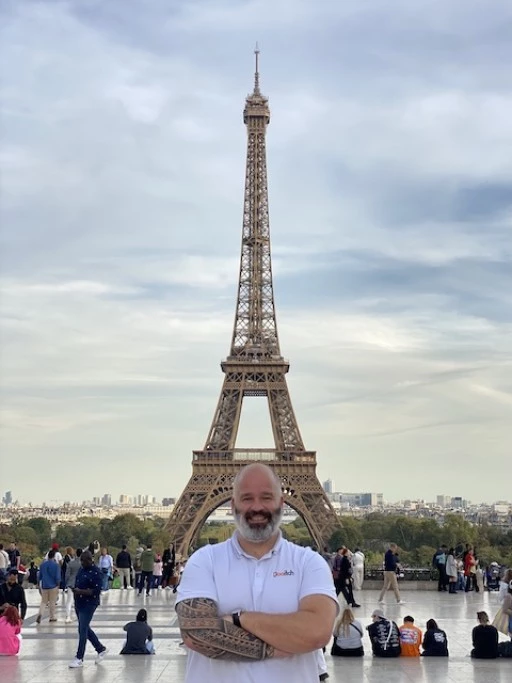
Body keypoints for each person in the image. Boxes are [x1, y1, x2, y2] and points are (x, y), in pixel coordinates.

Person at [175, 463, 338, 683]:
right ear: (233, 505)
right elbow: (198, 634)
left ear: (281, 502)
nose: (257, 507)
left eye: (266, 497)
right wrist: (278, 646)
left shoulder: (310, 563)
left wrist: (239, 619)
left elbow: (317, 632)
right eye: (247, 498)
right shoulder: (203, 560)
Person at [68, 550, 107, 668]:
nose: (82, 564)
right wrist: (75, 591)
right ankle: (100, 649)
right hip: (79, 603)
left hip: (89, 604)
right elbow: (78, 582)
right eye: (81, 561)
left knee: (82, 630)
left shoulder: (96, 573)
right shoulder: (81, 569)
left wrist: (81, 591)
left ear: (90, 560)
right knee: (85, 628)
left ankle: (79, 657)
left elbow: (96, 591)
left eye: (84, 562)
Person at [36, 549, 61, 624]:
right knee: (52, 602)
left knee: (43, 602)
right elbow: (57, 577)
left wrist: (38, 583)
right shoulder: (56, 565)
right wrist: (58, 584)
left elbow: (39, 576)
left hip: (44, 585)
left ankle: (40, 614)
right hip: (53, 586)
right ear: (54, 556)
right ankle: (52, 617)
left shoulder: (42, 565)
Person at [65, 548, 82, 623]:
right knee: (79, 601)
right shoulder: (83, 564)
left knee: (69, 601)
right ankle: (80, 616)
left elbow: (67, 575)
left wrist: (66, 583)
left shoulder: (71, 563)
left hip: (71, 583)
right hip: (80, 584)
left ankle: (68, 616)